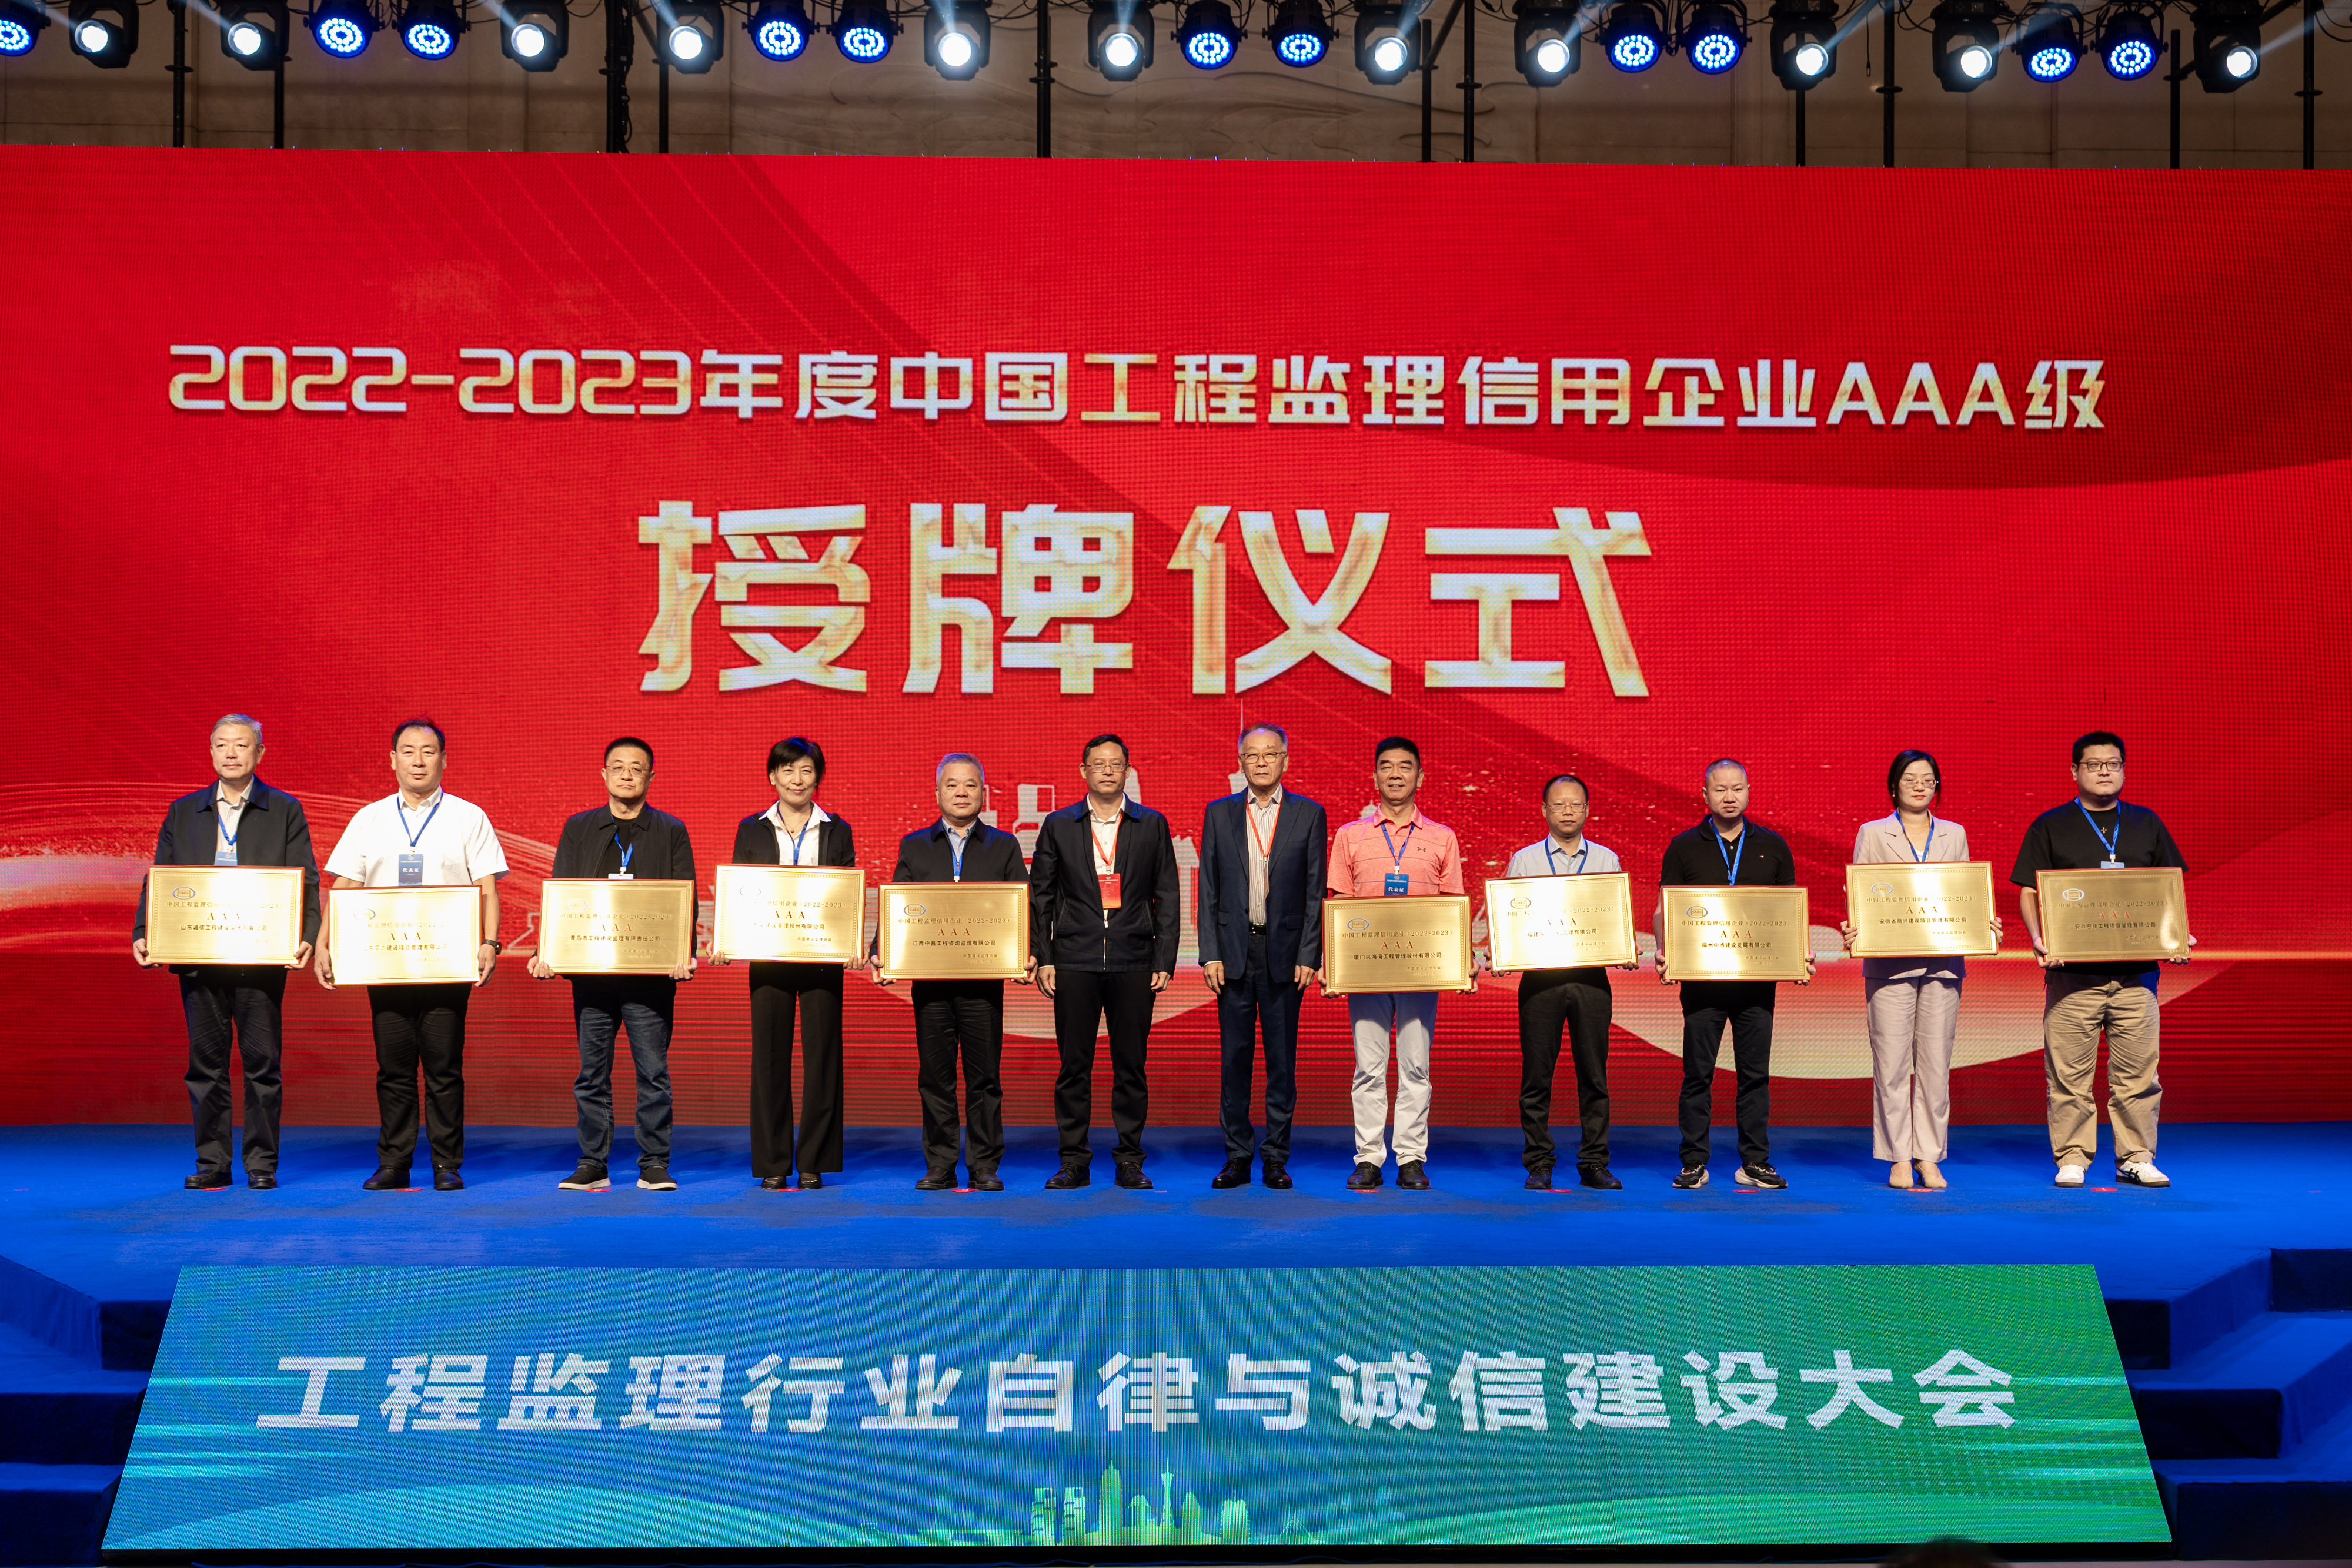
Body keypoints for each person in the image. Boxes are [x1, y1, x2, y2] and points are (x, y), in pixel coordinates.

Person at [318, 718, 509, 1192]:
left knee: (444, 1067)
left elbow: (486, 886)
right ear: (393, 760)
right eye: (408, 751)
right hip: (384, 961)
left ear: (444, 759)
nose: (418, 761)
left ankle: (447, 1164)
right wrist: (324, 941)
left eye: (428, 751)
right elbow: (345, 885)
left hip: (448, 963)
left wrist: (490, 942)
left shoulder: (468, 816)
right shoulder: (370, 818)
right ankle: (394, 1163)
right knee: (394, 1068)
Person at [132, 714, 320, 1191]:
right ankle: (213, 1162)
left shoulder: (284, 809)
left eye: (241, 744)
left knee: (263, 1066)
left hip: (261, 957)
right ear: (212, 752)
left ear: (260, 752)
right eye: (221, 745)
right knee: (205, 1065)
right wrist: (145, 930)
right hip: (199, 955)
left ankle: (262, 1163)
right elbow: (161, 877)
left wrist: (307, 933)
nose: (231, 753)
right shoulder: (183, 811)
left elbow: (305, 878)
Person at [2012, 730, 2192, 1189]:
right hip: (2072, 977)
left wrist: (2176, 935)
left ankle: (2136, 1157)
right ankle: (2073, 1157)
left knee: (2139, 1076)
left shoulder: (2146, 822)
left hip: (2136, 979)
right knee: (2069, 1076)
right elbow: (2030, 889)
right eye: (2094, 764)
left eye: (2113, 763)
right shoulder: (2051, 825)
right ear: (2075, 771)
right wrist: (2038, 938)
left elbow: (2168, 886)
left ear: (2124, 769)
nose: (2104, 772)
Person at [528, 737, 697, 1193]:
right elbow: (562, 892)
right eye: (618, 766)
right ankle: (592, 1163)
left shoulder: (670, 829)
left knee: (653, 1074)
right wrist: (548, 950)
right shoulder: (579, 827)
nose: (626, 774)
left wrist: (683, 952)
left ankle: (654, 1163)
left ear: (650, 778)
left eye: (636, 768)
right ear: (603, 774)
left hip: (650, 977)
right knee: (592, 1074)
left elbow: (685, 895)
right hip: (593, 975)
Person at [1841, 750, 2002, 1191]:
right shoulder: (1873, 832)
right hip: (1888, 965)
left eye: (1928, 779)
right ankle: (1897, 1156)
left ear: (1937, 787)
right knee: (1891, 1064)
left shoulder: (1954, 833)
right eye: (1910, 778)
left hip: (1943, 965)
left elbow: (1964, 893)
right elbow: (1860, 893)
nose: (1919, 785)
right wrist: (1856, 926)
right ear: (1894, 786)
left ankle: (1928, 1156)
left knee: (1935, 1065)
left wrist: (1982, 924)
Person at [1028, 734, 1180, 1191]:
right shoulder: (1059, 824)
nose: (1108, 770)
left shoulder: (1151, 823)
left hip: (1135, 959)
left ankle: (1130, 1160)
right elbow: (1041, 896)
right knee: (1074, 1067)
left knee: (1130, 1066)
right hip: (1074, 959)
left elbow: (1168, 893)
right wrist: (1046, 957)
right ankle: (1073, 1161)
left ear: (1128, 771)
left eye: (1116, 763)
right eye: (1099, 763)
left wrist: (1164, 957)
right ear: (1084, 771)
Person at [871, 753, 1028, 1192]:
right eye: (953, 785)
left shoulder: (1004, 846)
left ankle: (984, 1165)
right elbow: (897, 905)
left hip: (983, 986)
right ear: (937, 792)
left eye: (971, 785)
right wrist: (882, 952)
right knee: (935, 1079)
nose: (962, 792)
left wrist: (1028, 952)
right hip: (931, 985)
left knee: (985, 1079)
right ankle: (940, 1164)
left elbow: (1024, 905)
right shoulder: (915, 846)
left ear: (984, 793)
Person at [1655, 758, 1811, 1192]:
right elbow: (1665, 909)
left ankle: (1755, 1161)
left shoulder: (1773, 846)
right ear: (1705, 795)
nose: (1729, 797)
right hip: (1701, 984)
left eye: (1737, 788)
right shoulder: (1684, 846)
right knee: (1698, 1074)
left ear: (1748, 792)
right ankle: (1693, 1162)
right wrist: (1666, 950)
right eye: (1720, 789)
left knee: (1754, 1075)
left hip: (1757, 985)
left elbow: (1789, 914)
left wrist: (1799, 955)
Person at [1324, 736, 1471, 1192]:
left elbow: (1452, 908)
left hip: (1420, 971)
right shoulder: (1350, 835)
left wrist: (1460, 963)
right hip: (1366, 971)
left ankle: (1410, 1158)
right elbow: (1340, 905)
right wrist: (1335, 967)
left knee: (1416, 1066)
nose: (1395, 774)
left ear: (1420, 777)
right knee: (1368, 1068)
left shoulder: (1442, 837)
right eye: (1386, 766)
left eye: (1405, 766)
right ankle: (1369, 1158)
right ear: (1374, 776)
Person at [1198, 724, 1327, 1192]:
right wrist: (1210, 952)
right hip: (1234, 952)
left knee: (1281, 1062)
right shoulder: (1220, 813)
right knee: (1234, 1060)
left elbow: (1315, 890)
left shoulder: (1309, 814)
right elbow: (1208, 888)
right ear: (1240, 763)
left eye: (1270, 754)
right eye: (1252, 755)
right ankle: (1237, 1155)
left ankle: (1275, 1156)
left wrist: (1309, 952)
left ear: (1285, 760)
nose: (1261, 762)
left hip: (1285, 955)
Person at [729, 737, 856, 1192]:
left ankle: (813, 1161)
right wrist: (728, 939)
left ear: (817, 777)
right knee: (769, 1058)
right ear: (773, 776)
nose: (797, 779)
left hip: (822, 957)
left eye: (805, 770)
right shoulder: (752, 828)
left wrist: (851, 941)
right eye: (787, 770)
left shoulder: (837, 829)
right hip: (768, 958)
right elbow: (740, 892)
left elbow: (846, 892)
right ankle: (773, 1162)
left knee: (823, 1059)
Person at [1501, 773, 1631, 1193]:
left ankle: (1594, 1162)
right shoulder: (1525, 860)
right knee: (1537, 1077)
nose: (1568, 811)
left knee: (1594, 1077)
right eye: (1559, 805)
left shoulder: (1607, 860)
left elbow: (1616, 920)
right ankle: (1539, 1162)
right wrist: (1503, 953)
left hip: (1591, 982)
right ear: (1544, 810)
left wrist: (1624, 947)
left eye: (1576, 804)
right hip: (1541, 983)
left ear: (1588, 810)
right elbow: (1510, 921)